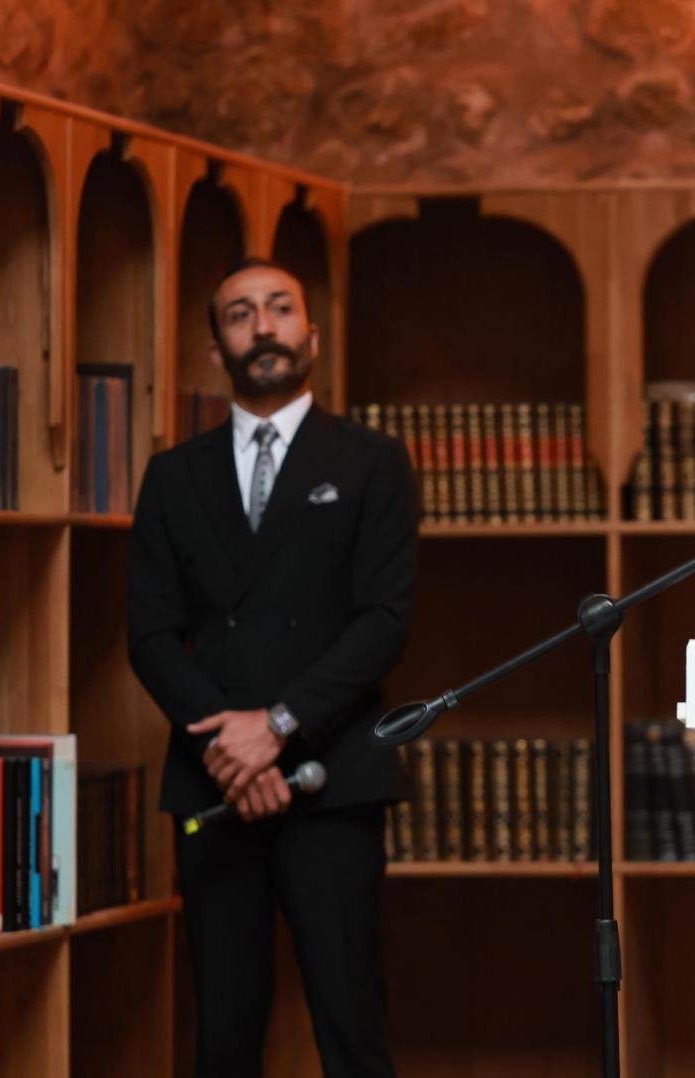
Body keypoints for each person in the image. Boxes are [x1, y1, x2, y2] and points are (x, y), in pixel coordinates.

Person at [128, 257, 417, 1077]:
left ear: (311, 337)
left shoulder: (372, 461)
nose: (263, 327)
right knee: (223, 1036)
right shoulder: (172, 475)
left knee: (353, 1032)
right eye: (240, 313)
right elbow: (149, 637)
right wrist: (232, 750)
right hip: (213, 783)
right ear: (215, 348)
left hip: (333, 780)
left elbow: (384, 623)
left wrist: (278, 728)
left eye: (280, 308)